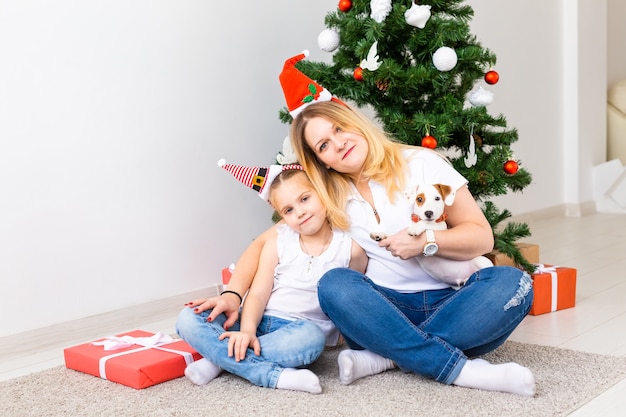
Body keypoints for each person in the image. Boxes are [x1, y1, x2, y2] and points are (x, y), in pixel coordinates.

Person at [176, 161, 367, 394]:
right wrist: (247, 330)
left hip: (298, 331)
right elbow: (257, 293)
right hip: (257, 320)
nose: (300, 212)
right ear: (281, 216)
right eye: (288, 210)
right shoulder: (279, 240)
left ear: (322, 191)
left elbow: (349, 301)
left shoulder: (350, 250)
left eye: (305, 199)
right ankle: (272, 375)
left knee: (312, 339)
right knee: (187, 318)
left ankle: (219, 360)